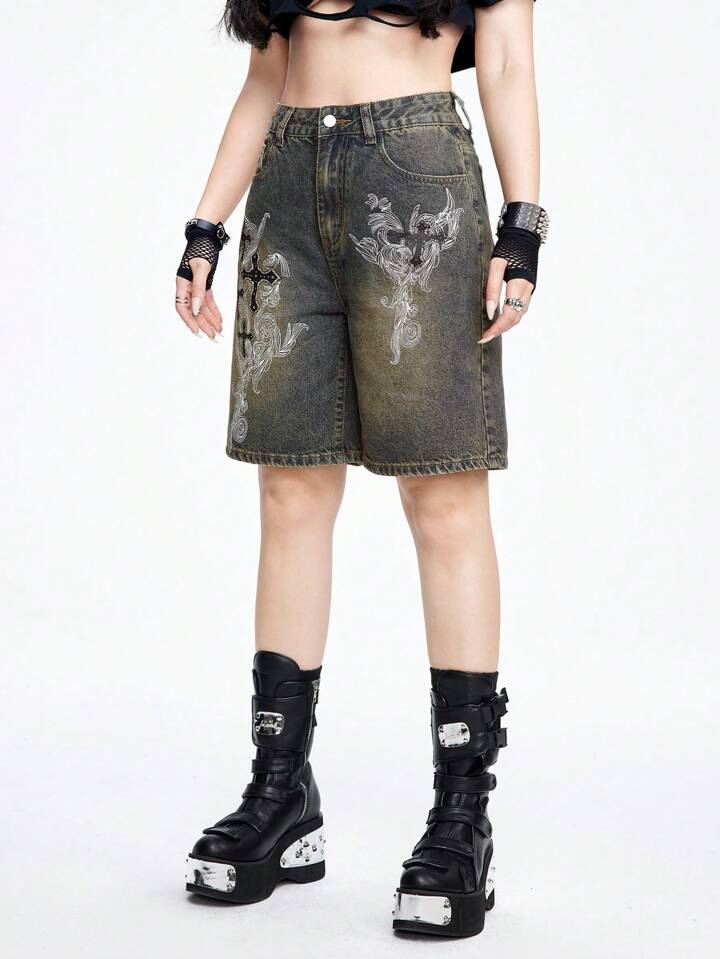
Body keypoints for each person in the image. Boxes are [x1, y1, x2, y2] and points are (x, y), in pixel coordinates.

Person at [178, 0, 546, 939]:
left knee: (444, 492)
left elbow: (505, 60)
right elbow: (265, 78)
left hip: (418, 173)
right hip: (286, 186)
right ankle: (281, 791)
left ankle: (462, 817)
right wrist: (205, 228)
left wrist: (522, 229)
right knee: (289, 486)